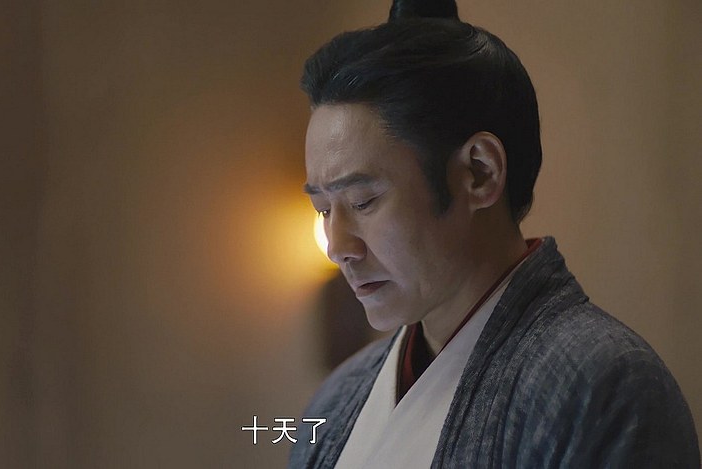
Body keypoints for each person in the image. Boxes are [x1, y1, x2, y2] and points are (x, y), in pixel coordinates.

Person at [289, 0, 700, 467]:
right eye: (323, 209)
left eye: (363, 201)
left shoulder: (605, 388)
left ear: (479, 173)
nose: (338, 247)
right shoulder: (337, 399)